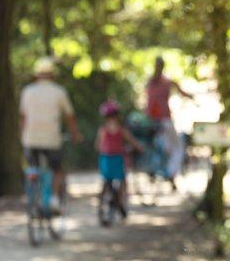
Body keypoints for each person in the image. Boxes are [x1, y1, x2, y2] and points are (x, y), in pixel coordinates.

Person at [19, 57, 82, 211]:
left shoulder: (27, 91)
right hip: (51, 140)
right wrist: (75, 134)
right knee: (57, 169)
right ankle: (54, 198)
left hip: (30, 140)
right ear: (52, 75)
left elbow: (23, 118)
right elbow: (69, 116)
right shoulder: (59, 92)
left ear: (36, 75)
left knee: (33, 167)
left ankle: (33, 195)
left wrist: (22, 136)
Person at [145, 56, 193, 188]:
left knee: (163, 145)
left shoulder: (150, 81)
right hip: (164, 119)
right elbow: (183, 93)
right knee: (177, 147)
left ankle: (159, 168)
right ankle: (171, 173)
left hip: (149, 120)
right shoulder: (167, 81)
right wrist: (194, 98)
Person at [95, 100, 143, 218]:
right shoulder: (121, 129)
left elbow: (98, 145)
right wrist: (140, 148)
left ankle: (101, 203)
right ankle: (121, 201)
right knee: (122, 181)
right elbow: (132, 141)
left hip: (105, 158)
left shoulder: (103, 129)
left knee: (106, 181)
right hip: (117, 158)